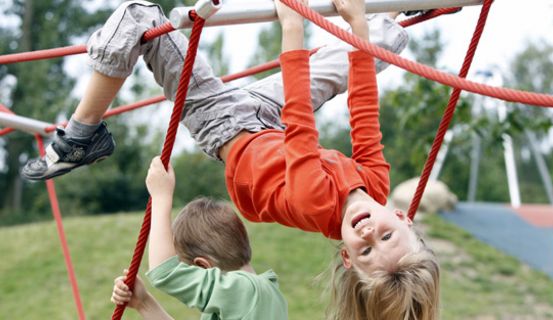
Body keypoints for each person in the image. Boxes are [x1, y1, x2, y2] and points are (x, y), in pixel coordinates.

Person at [25, 0, 438, 318]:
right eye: (385, 237)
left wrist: (292, 27)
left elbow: (301, 121)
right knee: (373, 41)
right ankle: (399, 10)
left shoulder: (317, 202)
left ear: (347, 255)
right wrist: (359, 26)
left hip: (226, 126)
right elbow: (364, 112)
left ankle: (80, 137)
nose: (368, 234)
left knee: (139, 16)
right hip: (267, 119)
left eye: (365, 253)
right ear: (402, 218)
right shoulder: (377, 188)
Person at [111, 157, 288, 319]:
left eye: (188, 272)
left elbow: (164, 272)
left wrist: (161, 196)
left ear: (203, 266)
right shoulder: (253, 296)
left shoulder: (244, 290)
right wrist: (144, 304)